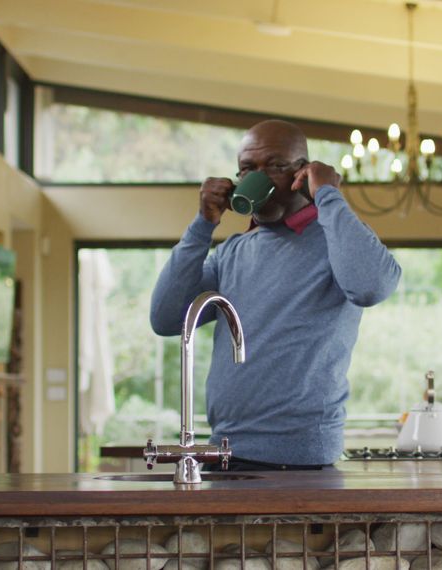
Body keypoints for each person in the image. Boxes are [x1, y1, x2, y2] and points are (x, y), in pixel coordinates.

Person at [149, 119, 402, 470]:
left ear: (303, 174)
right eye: (248, 169)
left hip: (299, 460)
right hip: (226, 452)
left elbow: (372, 285)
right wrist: (203, 224)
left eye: (275, 166)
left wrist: (327, 194)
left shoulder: (335, 238)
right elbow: (165, 317)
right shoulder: (232, 252)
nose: (259, 178)